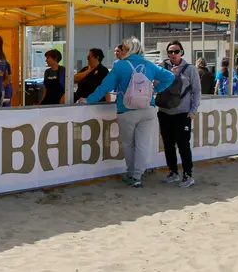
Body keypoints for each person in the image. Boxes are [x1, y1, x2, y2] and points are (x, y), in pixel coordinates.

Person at [78, 37, 174, 188]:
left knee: (129, 144)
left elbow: (105, 87)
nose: (120, 51)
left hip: (127, 110)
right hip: (148, 109)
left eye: (122, 48)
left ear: (128, 50)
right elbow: (170, 76)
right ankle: (137, 176)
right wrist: (155, 91)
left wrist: (89, 100)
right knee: (143, 145)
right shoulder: (149, 65)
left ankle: (131, 175)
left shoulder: (120, 66)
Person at [156, 41, 201, 188]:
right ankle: (173, 171)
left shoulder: (190, 69)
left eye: (176, 51)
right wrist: (169, 75)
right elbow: (155, 86)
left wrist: (193, 110)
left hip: (182, 113)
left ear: (182, 52)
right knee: (168, 145)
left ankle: (187, 174)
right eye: (170, 52)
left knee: (183, 145)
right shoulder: (162, 67)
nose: (172, 54)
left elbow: (196, 90)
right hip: (164, 112)